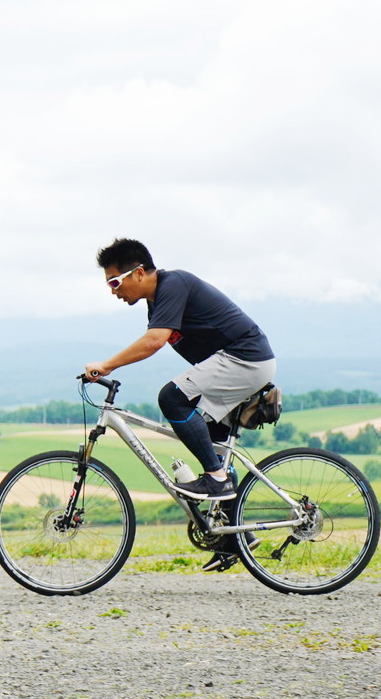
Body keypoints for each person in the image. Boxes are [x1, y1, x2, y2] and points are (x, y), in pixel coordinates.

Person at [83, 238, 276, 571]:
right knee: (211, 440)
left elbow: (154, 341)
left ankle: (216, 479)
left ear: (138, 273)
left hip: (244, 359)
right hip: (238, 363)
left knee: (171, 398)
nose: (113, 291)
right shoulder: (157, 300)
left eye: (115, 282)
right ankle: (232, 537)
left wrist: (108, 365)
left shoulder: (173, 284)